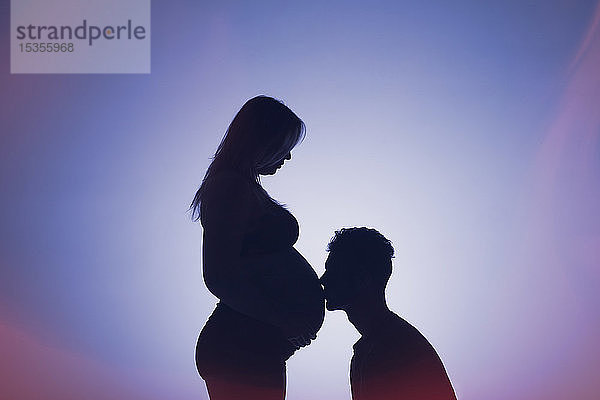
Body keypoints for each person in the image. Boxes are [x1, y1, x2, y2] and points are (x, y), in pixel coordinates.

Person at [190, 96, 324, 400]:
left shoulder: (244, 187)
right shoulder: (229, 187)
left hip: (251, 347)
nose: (288, 157)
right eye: (284, 145)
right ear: (264, 140)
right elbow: (219, 276)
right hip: (240, 347)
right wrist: (283, 319)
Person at [320, 227, 457, 400]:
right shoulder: (370, 348)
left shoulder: (393, 349)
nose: (323, 279)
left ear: (363, 279)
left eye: (332, 271)